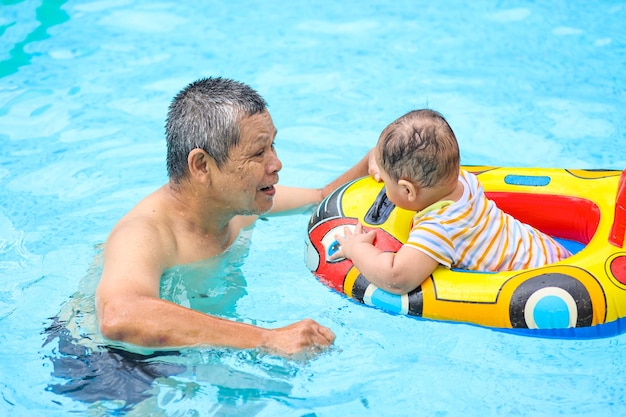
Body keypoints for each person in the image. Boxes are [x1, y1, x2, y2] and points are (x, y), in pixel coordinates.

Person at [96, 77, 374, 357]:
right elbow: (119, 316)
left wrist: (374, 158)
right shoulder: (144, 234)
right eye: (258, 152)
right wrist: (267, 339)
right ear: (202, 166)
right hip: (108, 362)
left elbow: (321, 197)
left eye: (273, 145)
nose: (276, 164)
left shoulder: (239, 206)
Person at [331, 109, 572, 295]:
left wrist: (356, 248)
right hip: (552, 254)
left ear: (407, 190)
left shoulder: (439, 228)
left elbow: (397, 278)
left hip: (540, 283)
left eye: (385, 182)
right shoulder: (464, 183)